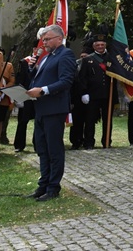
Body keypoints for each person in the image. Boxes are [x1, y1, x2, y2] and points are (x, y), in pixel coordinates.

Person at [26, 24, 77, 201]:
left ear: (58, 38)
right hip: (41, 108)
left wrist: (43, 90)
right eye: (43, 39)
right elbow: (39, 78)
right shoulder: (47, 57)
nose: (44, 42)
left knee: (54, 149)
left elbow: (66, 81)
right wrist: (32, 69)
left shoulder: (66, 55)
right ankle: (43, 184)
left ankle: (53, 187)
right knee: (42, 148)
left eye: (47, 39)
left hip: (54, 109)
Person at [76, 34, 116, 149]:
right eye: (97, 45)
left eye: (102, 44)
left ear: (105, 45)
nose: (100, 46)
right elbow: (82, 78)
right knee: (90, 120)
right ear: (94, 46)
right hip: (92, 95)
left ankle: (107, 141)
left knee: (107, 120)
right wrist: (84, 93)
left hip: (108, 94)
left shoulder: (111, 59)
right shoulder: (88, 59)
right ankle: (89, 142)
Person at [13, 46, 39, 153]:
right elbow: (20, 80)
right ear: (34, 49)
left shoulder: (46, 61)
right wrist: (19, 98)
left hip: (40, 96)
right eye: (38, 48)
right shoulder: (24, 62)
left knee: (39, 122)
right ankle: (19, 144)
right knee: (23, 121)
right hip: (26, 96)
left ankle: (38, 144)